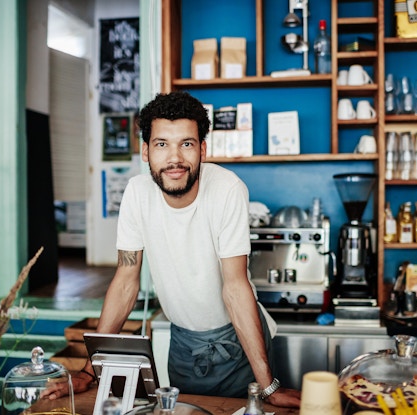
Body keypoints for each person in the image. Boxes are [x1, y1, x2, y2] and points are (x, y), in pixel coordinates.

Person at [45, 91, 300, 408]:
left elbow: (235, 285)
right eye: (162, 144)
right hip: (182, 344)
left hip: (239, 343)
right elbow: (126, 279)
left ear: (202, 150)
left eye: (187, 144)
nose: (175, 158)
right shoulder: (137, 194)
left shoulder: (227, 189)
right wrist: (89, 369)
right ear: (145, 151)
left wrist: (268, 385)